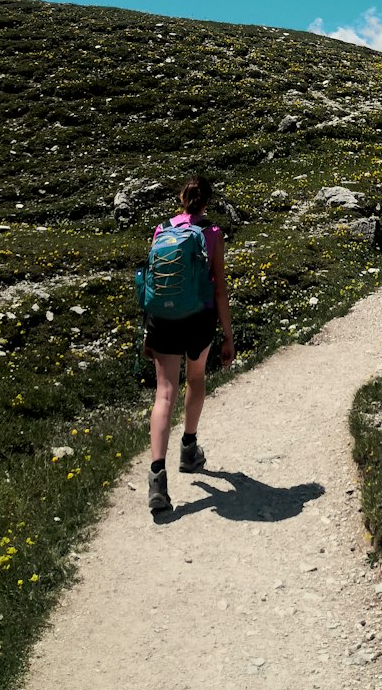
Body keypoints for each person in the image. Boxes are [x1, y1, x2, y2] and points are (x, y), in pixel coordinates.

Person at [144, 174, 234, 516]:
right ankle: (188, 448)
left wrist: (146, 330)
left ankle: (157, 479)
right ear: (207, 202)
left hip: (162, 320)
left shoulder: (160, 229)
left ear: (182, 199)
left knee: (164, 392)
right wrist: (228, 335)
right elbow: (220, 287)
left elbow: (155, 279)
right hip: (198, 318)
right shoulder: (212, 233)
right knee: (195, 379)